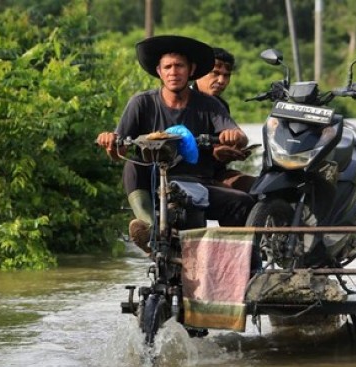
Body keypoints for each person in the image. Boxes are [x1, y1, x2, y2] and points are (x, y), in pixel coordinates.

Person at [96, 35, 255, 253]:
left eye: (179, 66)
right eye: (168, 67)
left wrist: (233, 136)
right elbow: (118, 151)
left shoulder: (209, 104)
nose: (173, 72)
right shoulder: (141, 103)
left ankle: (237, 259)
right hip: (155, 180)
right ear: (159, 71)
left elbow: (240, 136)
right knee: (133, 163)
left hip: (197, 183)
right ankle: (149, 229)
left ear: (191, 70)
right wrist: (111, 144)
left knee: (242, 202)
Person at [192, 47, 257, 193]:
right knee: (241, 200)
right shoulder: (183, 101)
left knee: (261, 187)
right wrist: (213, 151)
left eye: (226, 76)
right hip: (190, 176)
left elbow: (237, 137)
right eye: (215, 73)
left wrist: (231, 150)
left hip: (215, 174)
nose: (221, 81)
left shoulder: (221, 104)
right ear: (197, 73)